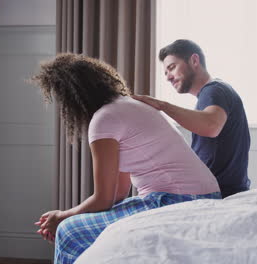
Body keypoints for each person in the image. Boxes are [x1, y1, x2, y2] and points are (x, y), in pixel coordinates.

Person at [31, 53, 221, 264]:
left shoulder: (105, 119)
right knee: (76, 225)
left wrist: (63, 217)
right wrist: (68, 216)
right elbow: (118, 194)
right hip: (201, 194)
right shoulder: (126, 107)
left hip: (177, 199)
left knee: (69, 231)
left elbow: (103, 199)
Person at [132, 39, 251, 198]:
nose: (168, 77)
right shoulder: (213, 93)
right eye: (166, 73)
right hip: (222, 190)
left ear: (194, 60)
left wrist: (162, 105)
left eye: (172, 68)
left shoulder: (214, 90)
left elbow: (211, 126)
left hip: (219, 193)